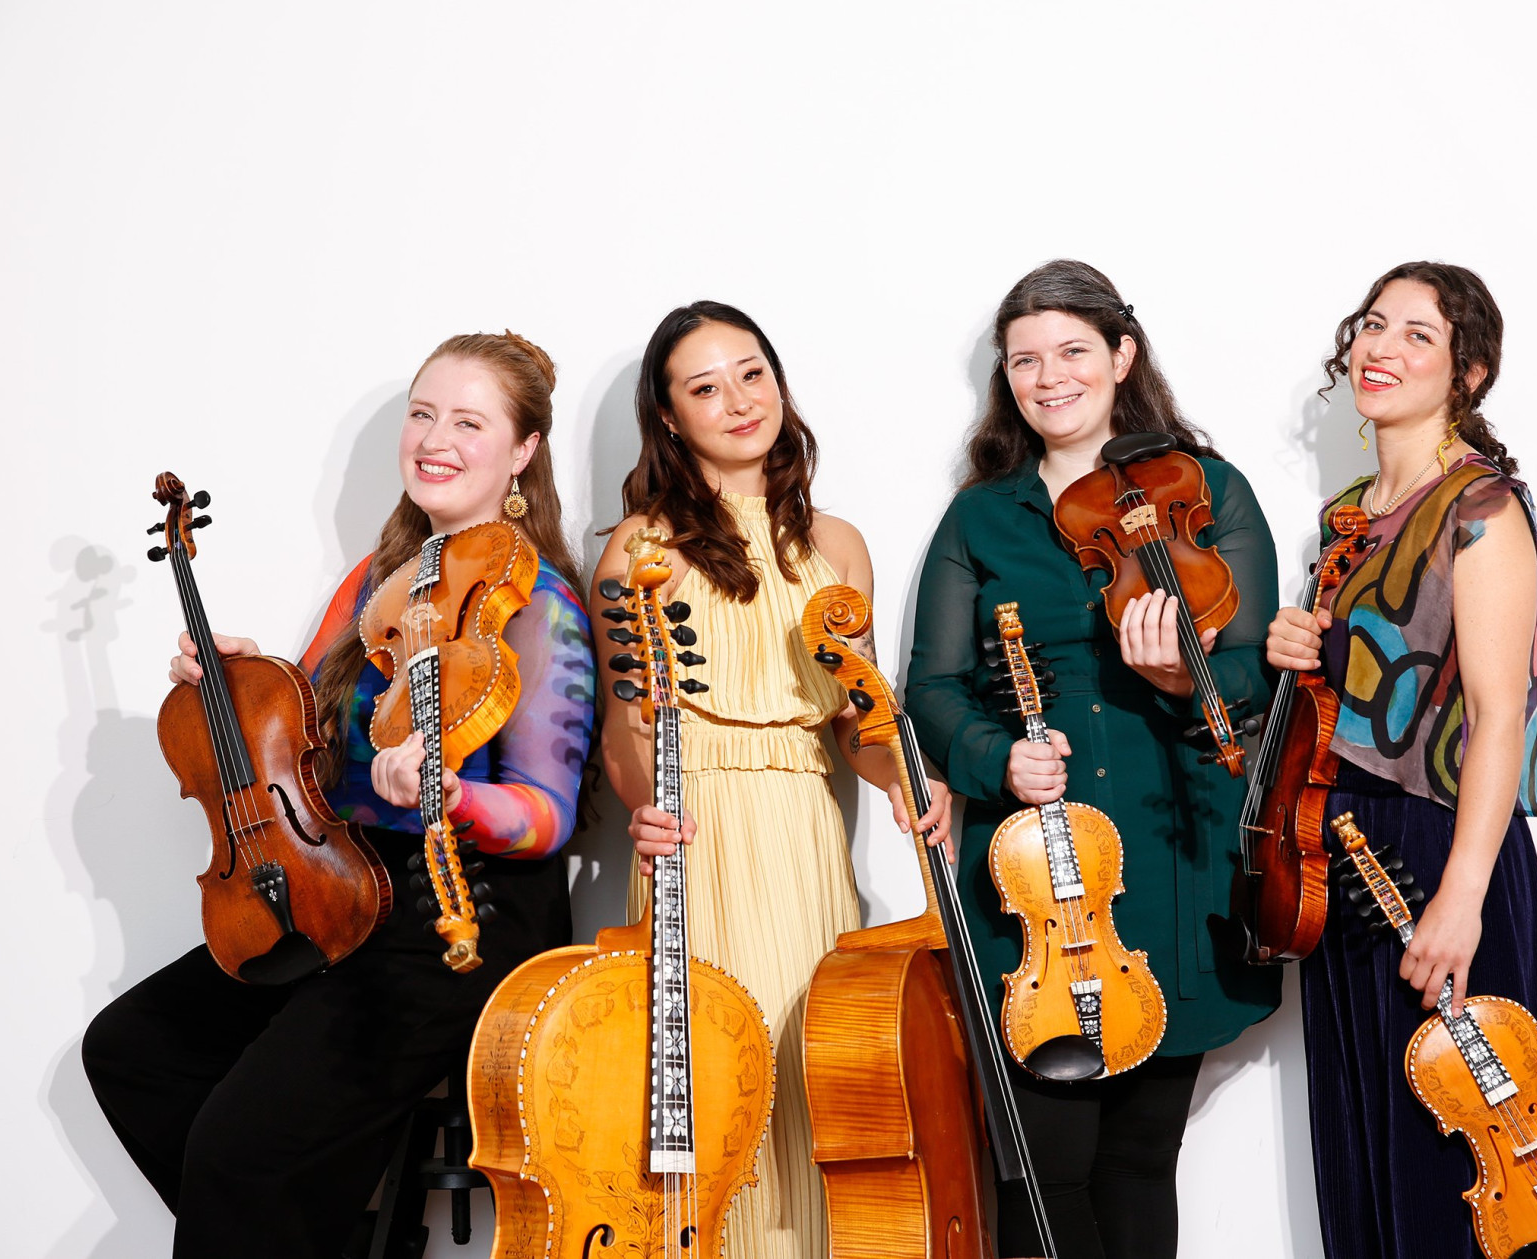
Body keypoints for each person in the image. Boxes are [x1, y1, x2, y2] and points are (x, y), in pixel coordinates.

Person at [82, 331, 594, 1259]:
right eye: (423, 412)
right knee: (133, 1050)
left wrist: (451, 794)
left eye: (468, 421)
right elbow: (309, 750)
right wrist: (238, 684)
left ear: (521, 452)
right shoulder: (375, 582)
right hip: (344, 889)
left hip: (458, 913)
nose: (434, 437)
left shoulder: (540, 601)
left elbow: (547, 813)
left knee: (240, 1154)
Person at [903, 259, 1282, 1259]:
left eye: (1072, 349)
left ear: (1121, 355)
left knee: (1140, 1157)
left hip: (1171, 852)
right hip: (1035, 872)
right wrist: (995, 759)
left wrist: (1179, 680)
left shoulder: (1206, 490)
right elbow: (929, 689)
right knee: (1043, 1162)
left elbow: (1254, 672)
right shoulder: (981, 517)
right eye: (1023, 358)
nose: (1048, 375)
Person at [597, 300, 951, 1259]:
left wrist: (903, 778)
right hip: (697, 828)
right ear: (669, 417)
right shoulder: (640, 548)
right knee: (713, 1083)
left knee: (818, 1083)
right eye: (704, 387)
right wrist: (647, 806)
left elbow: (855, 724)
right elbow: (624, 730)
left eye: (752, 373)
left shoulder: (836, 546)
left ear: (780, 382)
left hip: (801, 830)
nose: (738, 400)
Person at [1264, 261, 1537, 1259]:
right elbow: (1360, 692)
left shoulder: (1482, 507)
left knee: (1464, 1155)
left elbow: (1495, 713)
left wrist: (1463, 895)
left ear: (1466, 371)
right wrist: (1301, 649)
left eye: (1416, 335)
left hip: (1442, 840)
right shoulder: (1349, 512)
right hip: (1340, 842)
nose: (1380, 348)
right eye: (1372, 325)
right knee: (1365, 1141)